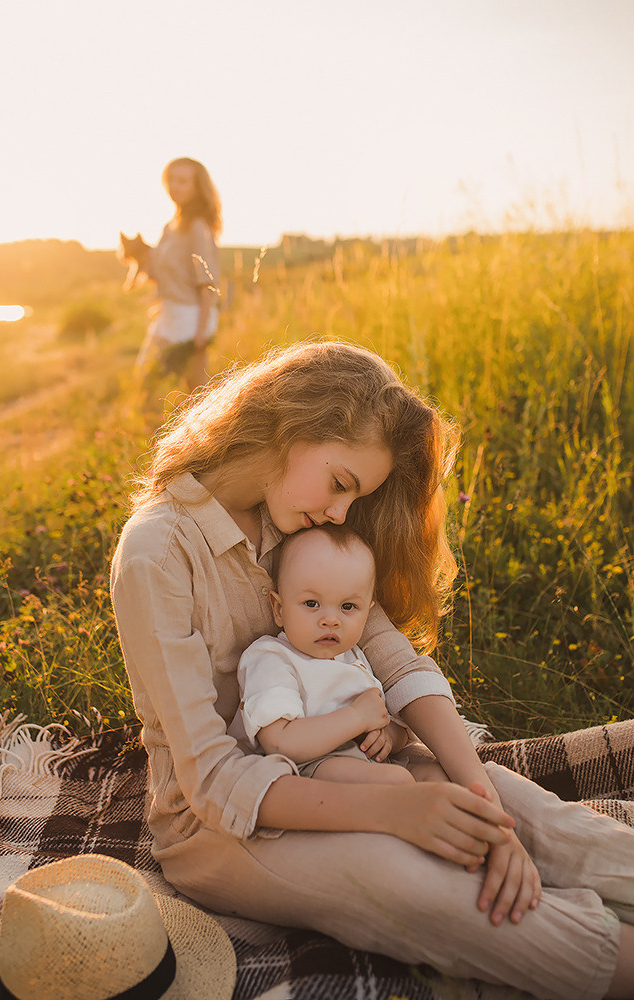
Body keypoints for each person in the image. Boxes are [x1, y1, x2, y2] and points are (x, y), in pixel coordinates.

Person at [110, 340, 634, 999]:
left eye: (351, 497)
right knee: (422, 885)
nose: (339, 513)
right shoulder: (158, 552)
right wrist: (398, 810)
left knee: (541, 820)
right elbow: (213, 779)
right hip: (223, 822)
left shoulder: (291, 519)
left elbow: (393, 659)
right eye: (340, 483)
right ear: (292, 424)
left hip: (354, 758)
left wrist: (483, 800)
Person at [232, 524, 414, 784]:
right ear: (279, 609)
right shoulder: (271, 657)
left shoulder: (354, 657)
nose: (331, 620)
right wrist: (357, 717)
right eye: (312, 603)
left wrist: (387, 737)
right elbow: (280, 742)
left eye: (348, 606)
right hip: (305, 769)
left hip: (363, 761)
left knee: (434, 775)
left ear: (367, 611)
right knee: (398, 781)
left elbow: (392, 724)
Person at [122, 156, 221, 394]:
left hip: (191, 317)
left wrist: (201, 332)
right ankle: (152, 417)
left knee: (197, 391)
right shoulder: (170, 227)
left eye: (183, 181)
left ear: (197, 187)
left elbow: (207, 283)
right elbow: (161, 273)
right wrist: (137, 256)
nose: (175, 186)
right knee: (146, 381)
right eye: (171, 180)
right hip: (169, 314)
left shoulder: (197, 226)